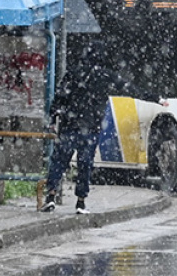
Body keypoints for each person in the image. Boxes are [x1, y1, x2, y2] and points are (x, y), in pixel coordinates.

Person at [41, 39, 158, 214]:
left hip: (69, 126)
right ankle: (81, 202)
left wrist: (53, 117)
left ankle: (50, 196)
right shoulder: (105, 76)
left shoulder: (73, 73)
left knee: (59, 161)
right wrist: (155, 98)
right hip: (90, 128)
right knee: (85, 164)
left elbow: (59, 97)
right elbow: (129, 88)